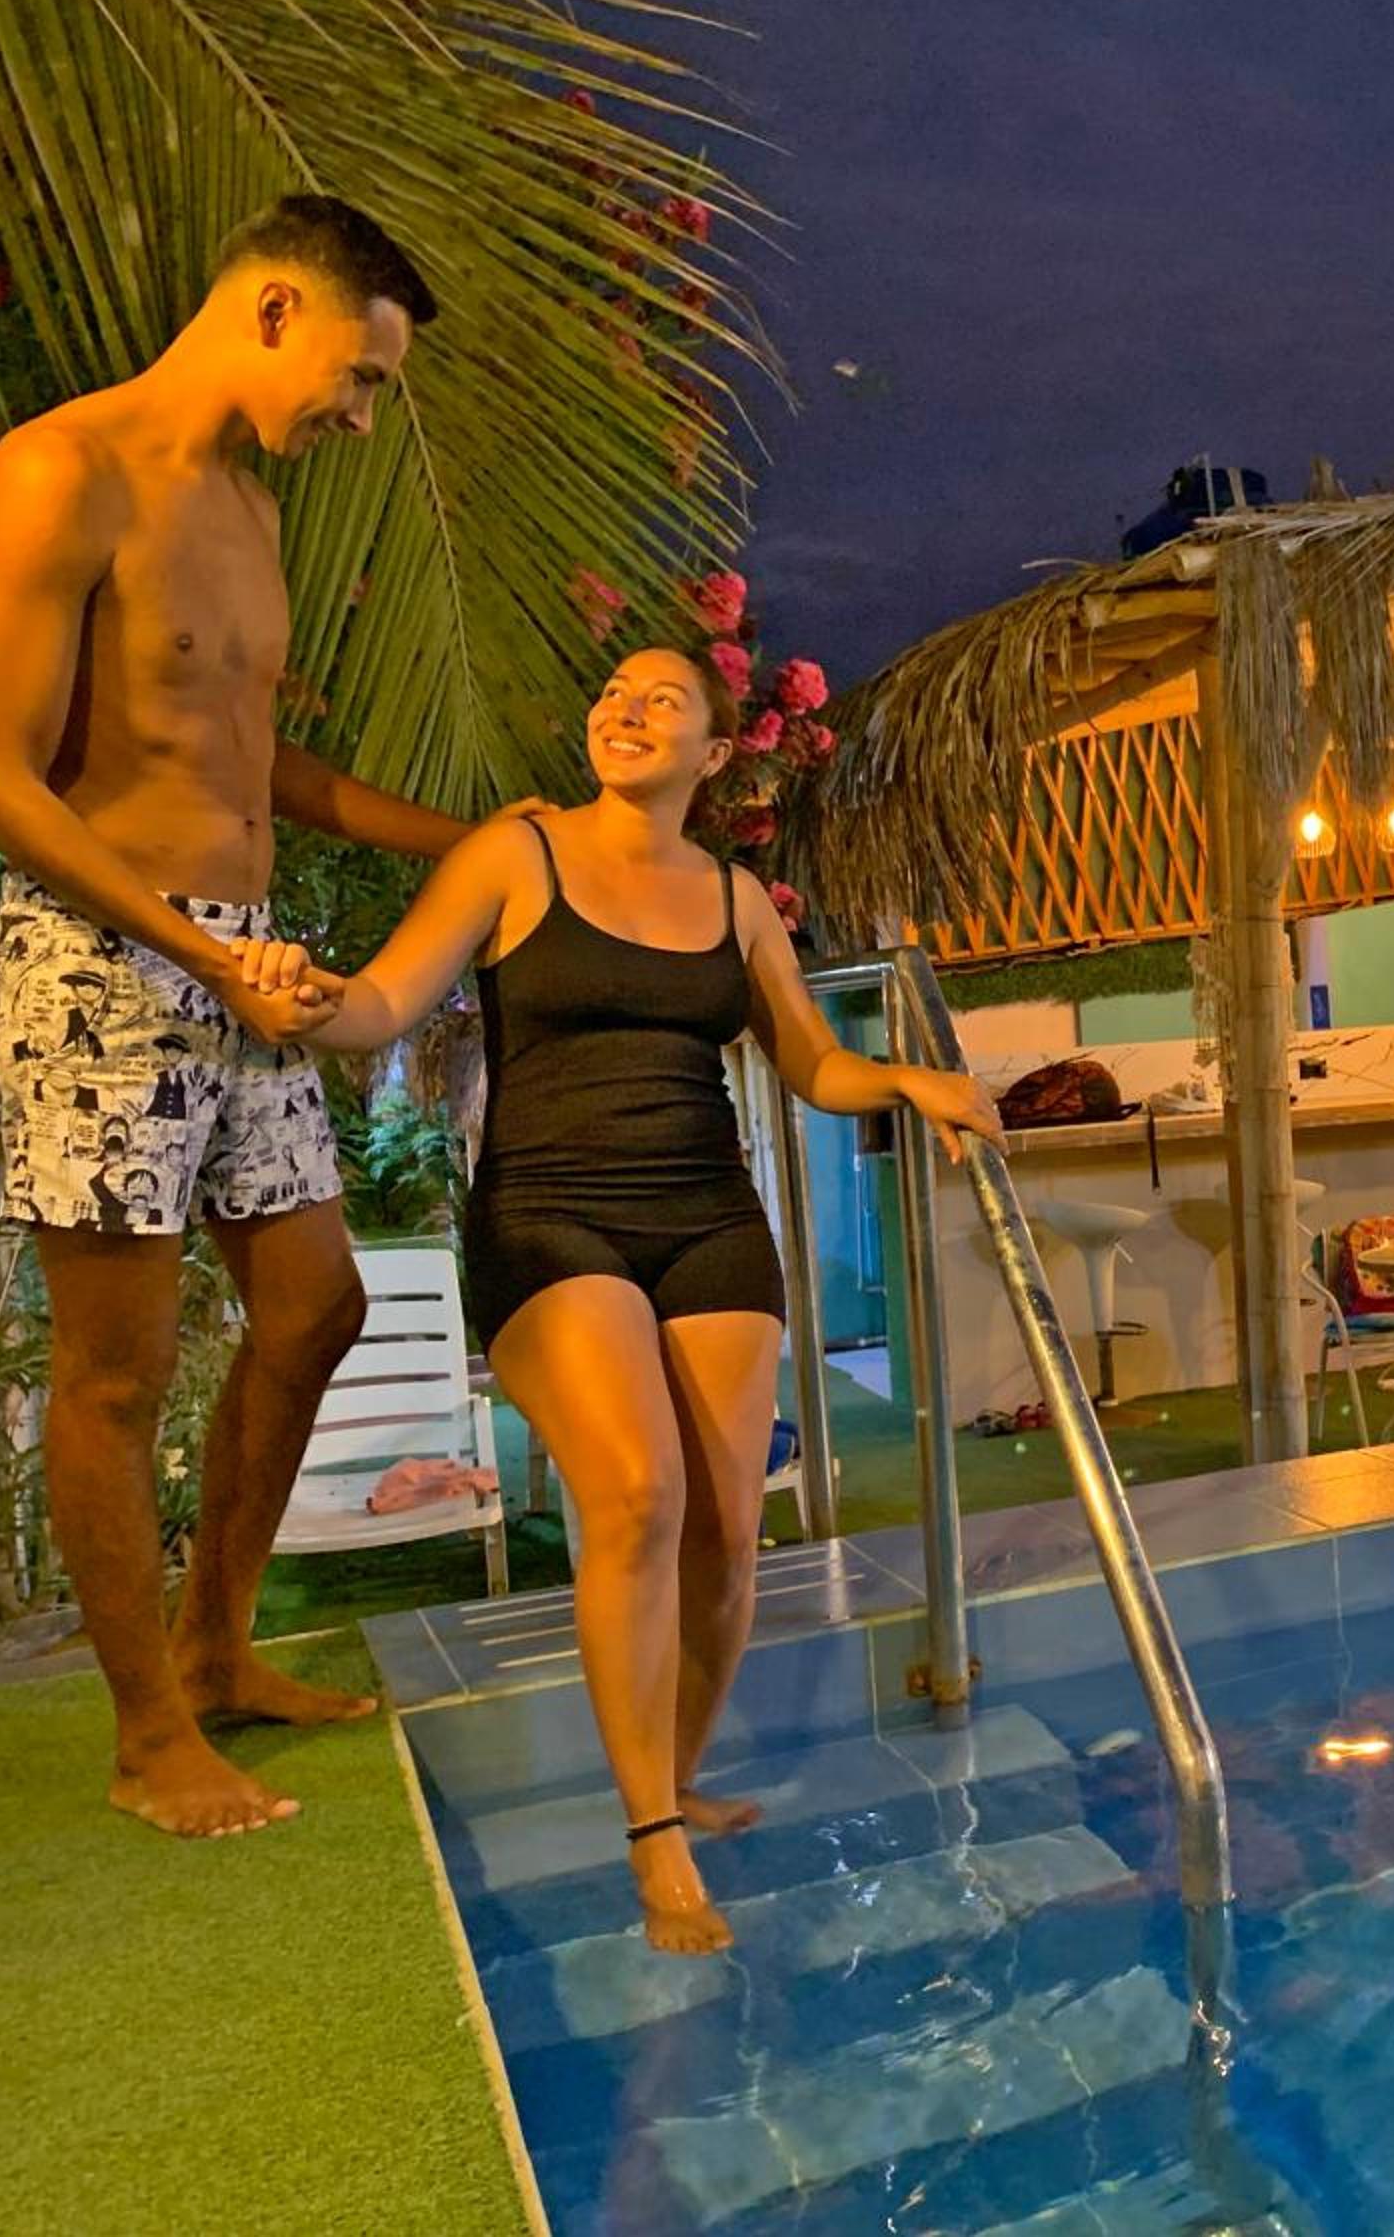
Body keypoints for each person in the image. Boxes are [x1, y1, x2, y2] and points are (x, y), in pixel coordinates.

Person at [0, 195, 519, 1839]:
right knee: (114, 1370)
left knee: (316, 1304)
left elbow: (259, 757)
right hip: (97, 964)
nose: (362, 418)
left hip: (240, 959)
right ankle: (147, 1736)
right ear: (275, 309)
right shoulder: (60, 470)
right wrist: (196, 955)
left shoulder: (250, 507)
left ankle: (215, 1646)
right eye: (362, 375)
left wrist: (480, 839)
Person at [288, 646, 1000, 1952]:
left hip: (709, 1216)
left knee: (727, 1527)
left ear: (715, 753)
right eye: (614, 691)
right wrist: (319, 1003)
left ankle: (674, 1775)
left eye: (662, 698)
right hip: (549, 1214)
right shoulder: (517, 855)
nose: (626, 707)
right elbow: (384, 997)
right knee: (635, 1493)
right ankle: (652, 1832)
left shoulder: (736, 899)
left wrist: (909, 1080)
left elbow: (813, 1062)